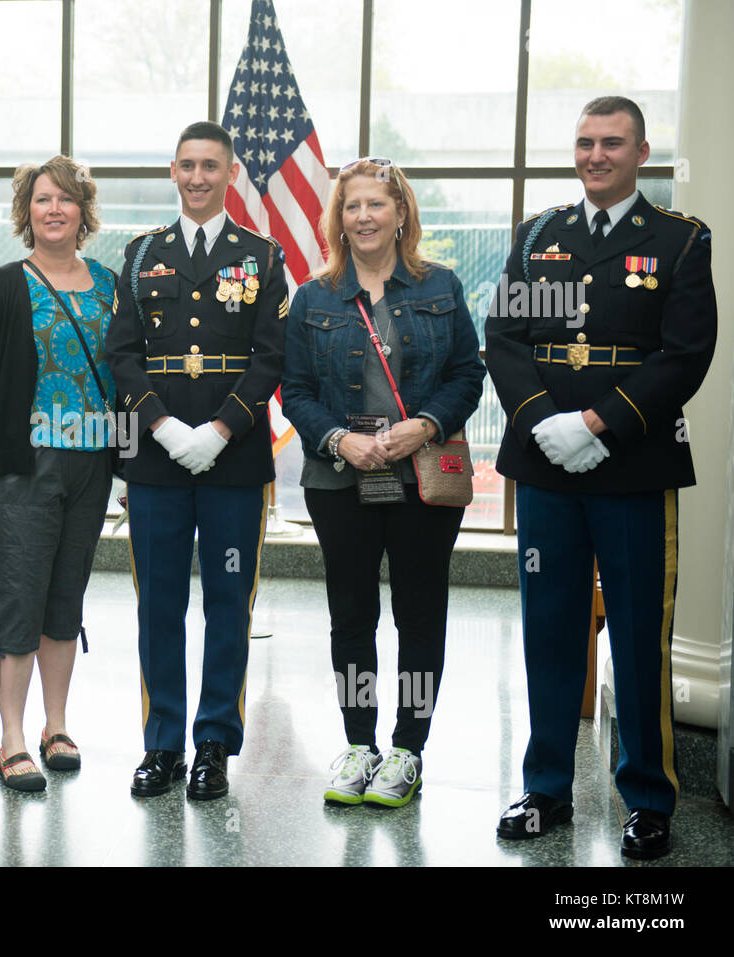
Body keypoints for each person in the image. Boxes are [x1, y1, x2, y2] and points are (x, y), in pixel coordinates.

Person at [487, 96, 716, 859]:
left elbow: (685, 355)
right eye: (585, 142)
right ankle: (546, 786)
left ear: (642, 152)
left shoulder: (680, 240)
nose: (595, 155)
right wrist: (543, 421)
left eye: (612, 143)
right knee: (549, 627)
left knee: (640, 632)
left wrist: (597, 423)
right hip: (545, 465)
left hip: (634, 465)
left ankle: (647, 797)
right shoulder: (537, 236)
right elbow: (505, 338)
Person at [280, 158, 485, 807]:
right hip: (340, 478)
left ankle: (407, 749)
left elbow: (468, 375)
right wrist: (340, 439)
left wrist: (425, 424)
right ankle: (360, 743)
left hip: (421, 479)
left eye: (376, 204)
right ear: (338, 219)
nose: (363, 216)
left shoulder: (440, 285)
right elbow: (295, 390)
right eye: (352, 206)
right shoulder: (312, 296)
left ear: (401, 214)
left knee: (419, 614)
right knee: (351, 616)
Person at [105, 121, 286, 801]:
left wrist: (219, 430)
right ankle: (162, 743)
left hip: (233, 462)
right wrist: (160, 425)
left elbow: (272, 356)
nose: (198, 177)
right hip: (156, 463)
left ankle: (213, 742)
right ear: (173, 172)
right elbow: (122, 354)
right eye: (187, 165)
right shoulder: (140, 254)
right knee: (159, 602)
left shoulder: (262, 257)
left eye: (211, 165)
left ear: (231, 173)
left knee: (229, 601)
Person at [0, 156, 116, 792]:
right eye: (43, 199)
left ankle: (57, 726)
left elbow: (126, 375)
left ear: (83, 211)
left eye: (66, 199)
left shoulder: (109, 286)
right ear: (27, 211)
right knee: (18, 597)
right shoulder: (2, 286)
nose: (54, 209)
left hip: (92, 465)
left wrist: (130, 463)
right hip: (24, 467)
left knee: (65, 598)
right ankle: (12, 739)